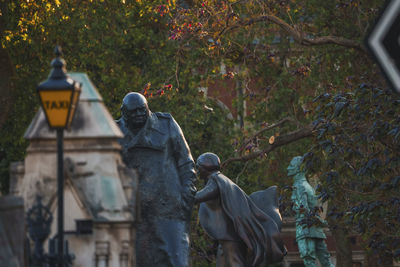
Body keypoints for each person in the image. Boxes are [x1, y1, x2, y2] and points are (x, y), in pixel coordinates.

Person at [116, 92, 196, 267]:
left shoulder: (166, 125)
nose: (138, 114)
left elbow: (185, 161)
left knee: (176, 261)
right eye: (133, 111)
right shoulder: (114, 134)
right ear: (124, 112)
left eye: (141, 110)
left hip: (169, 208)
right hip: (135, 213)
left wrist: (187, 192)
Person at [195, 152, 286, 267]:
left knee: (235, 263)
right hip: (225, 236)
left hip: (231, 236)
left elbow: (196, 197)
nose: (196, 170)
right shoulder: (218, 180)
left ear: (206, 166)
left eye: (198, 166)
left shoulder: (216, 182)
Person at [288, 156, 334, 267]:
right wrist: (319, 221)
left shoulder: (299, 186)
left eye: (291, 166)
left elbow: (303, 209)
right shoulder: (308, 186)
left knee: (308, 260)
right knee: (326, 261)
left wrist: (294, 208)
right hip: (316, 229)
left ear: (299, 168)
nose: (288, 168)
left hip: (305, 229)